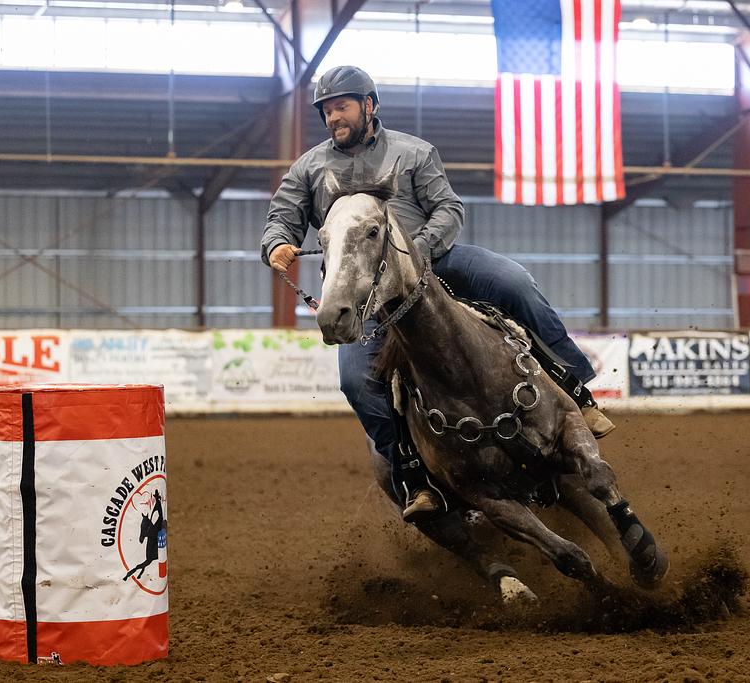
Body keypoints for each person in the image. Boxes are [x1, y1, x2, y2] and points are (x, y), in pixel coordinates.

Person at [262, 65, 614, 522]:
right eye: (327, 111)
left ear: (369, 105)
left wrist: (419, 251)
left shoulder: (414, 152)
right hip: (366, 290)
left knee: (513, 282)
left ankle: (576, 391)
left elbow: (447, 208)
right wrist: (277, 242)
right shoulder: (308, 168)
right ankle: (413, 472)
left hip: (435, 260)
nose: (333, 117)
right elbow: (282, 217)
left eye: (341, 107)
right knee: (355, 380)